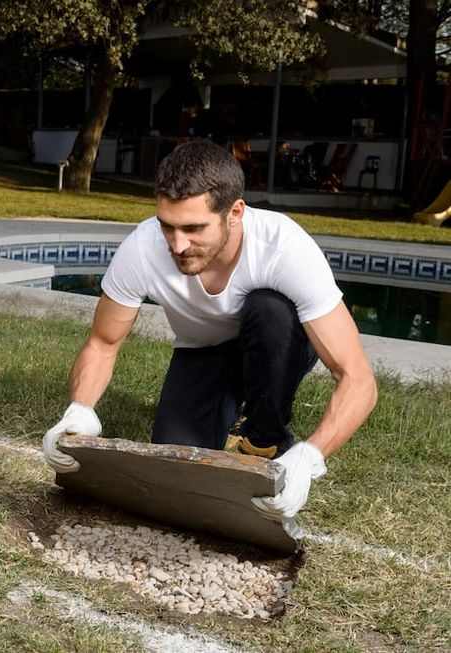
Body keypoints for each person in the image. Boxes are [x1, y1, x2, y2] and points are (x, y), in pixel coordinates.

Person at [42, 140, 377, 522]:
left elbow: (358, 378)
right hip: (203, 350)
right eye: (167, 226)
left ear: (234, 213)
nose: (177, 244)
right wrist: (79, 410)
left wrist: (311, 456)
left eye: (193, 228)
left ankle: (263, 438)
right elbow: (103, 343)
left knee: (271, 310)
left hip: (276, 339)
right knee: (175, 468)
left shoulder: (284, 248)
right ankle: (226, 411)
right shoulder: (143, 247)